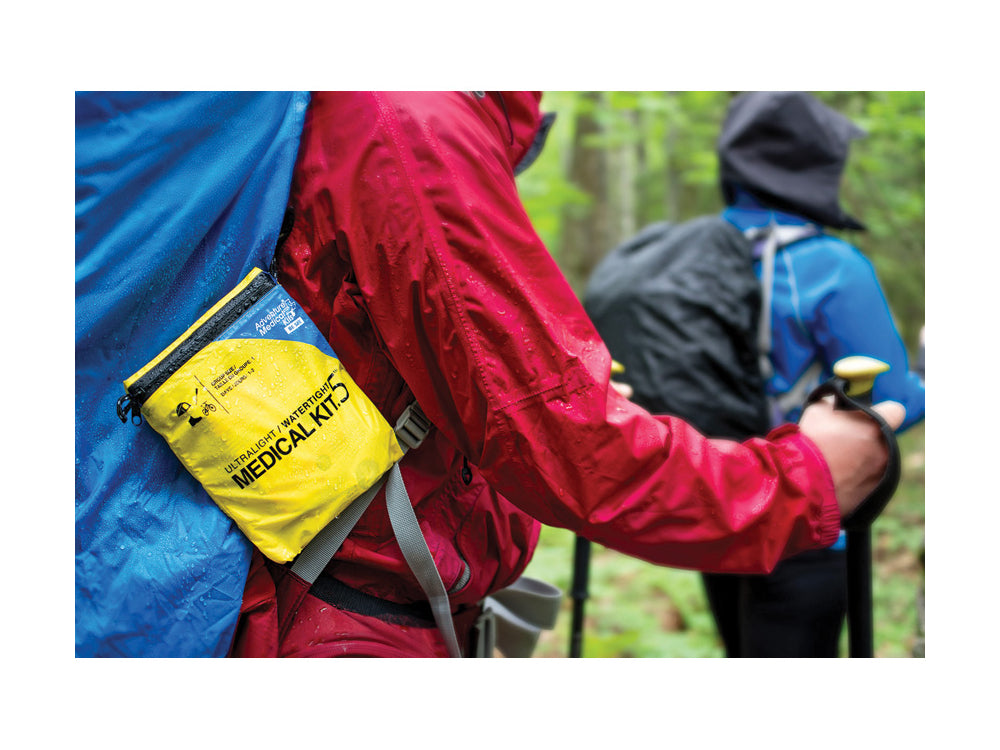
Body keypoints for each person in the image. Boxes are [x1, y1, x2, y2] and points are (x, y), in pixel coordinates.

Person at [75, 92, 902, 658]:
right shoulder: (409, 122)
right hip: (348, 627)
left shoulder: (349, 114)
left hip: (322, 596)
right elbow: (569, 447)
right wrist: (812, 474)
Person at [694, 91, 926, 657]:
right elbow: (888, 406)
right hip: (810, 522)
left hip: (716, 503)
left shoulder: (694, 255)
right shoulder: (831, 267)